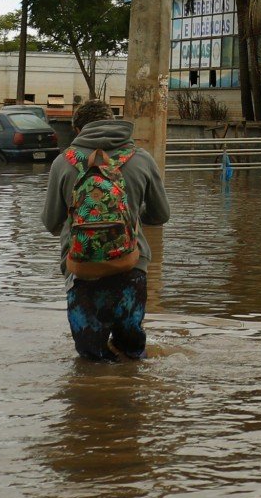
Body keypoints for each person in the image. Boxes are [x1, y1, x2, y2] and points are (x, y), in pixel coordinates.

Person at [43, 99, 171, 362]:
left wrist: (84, 226)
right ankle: (131, 392)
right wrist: (129, 218)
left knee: (91, 357)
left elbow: (51, 222)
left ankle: (96, 397)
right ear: (113, 123)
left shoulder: (62, 163)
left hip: (81, 268)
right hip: (130, 264)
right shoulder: (142, 159)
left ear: (78, 130)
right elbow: (160, 215)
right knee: (131, 351)